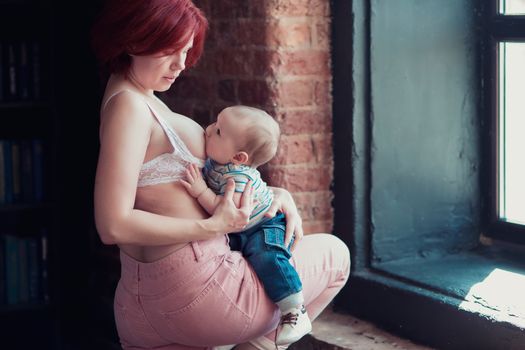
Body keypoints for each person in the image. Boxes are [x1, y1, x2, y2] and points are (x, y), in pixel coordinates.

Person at [91, 0, 351, 349]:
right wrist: (212, 227)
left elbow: (169, 189)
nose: (181, 65)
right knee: (336, 255)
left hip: (143, 302)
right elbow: (113, 225)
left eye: (185, 51)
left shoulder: (134, 96)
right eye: (170, 51)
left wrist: (272, 193)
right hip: (199, 293)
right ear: (135, 39)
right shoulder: (129, 106)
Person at [181, 105, 311, 346]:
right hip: (245, 228)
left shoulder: (239, 178)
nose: (209, 129)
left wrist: (200, 191)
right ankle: (232, 333)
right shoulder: (219, 162)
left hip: (265, 225)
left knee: (267, 257)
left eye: (219, 131)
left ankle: (295, 310)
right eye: (214, 123)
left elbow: (227, 212)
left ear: (239, 158)